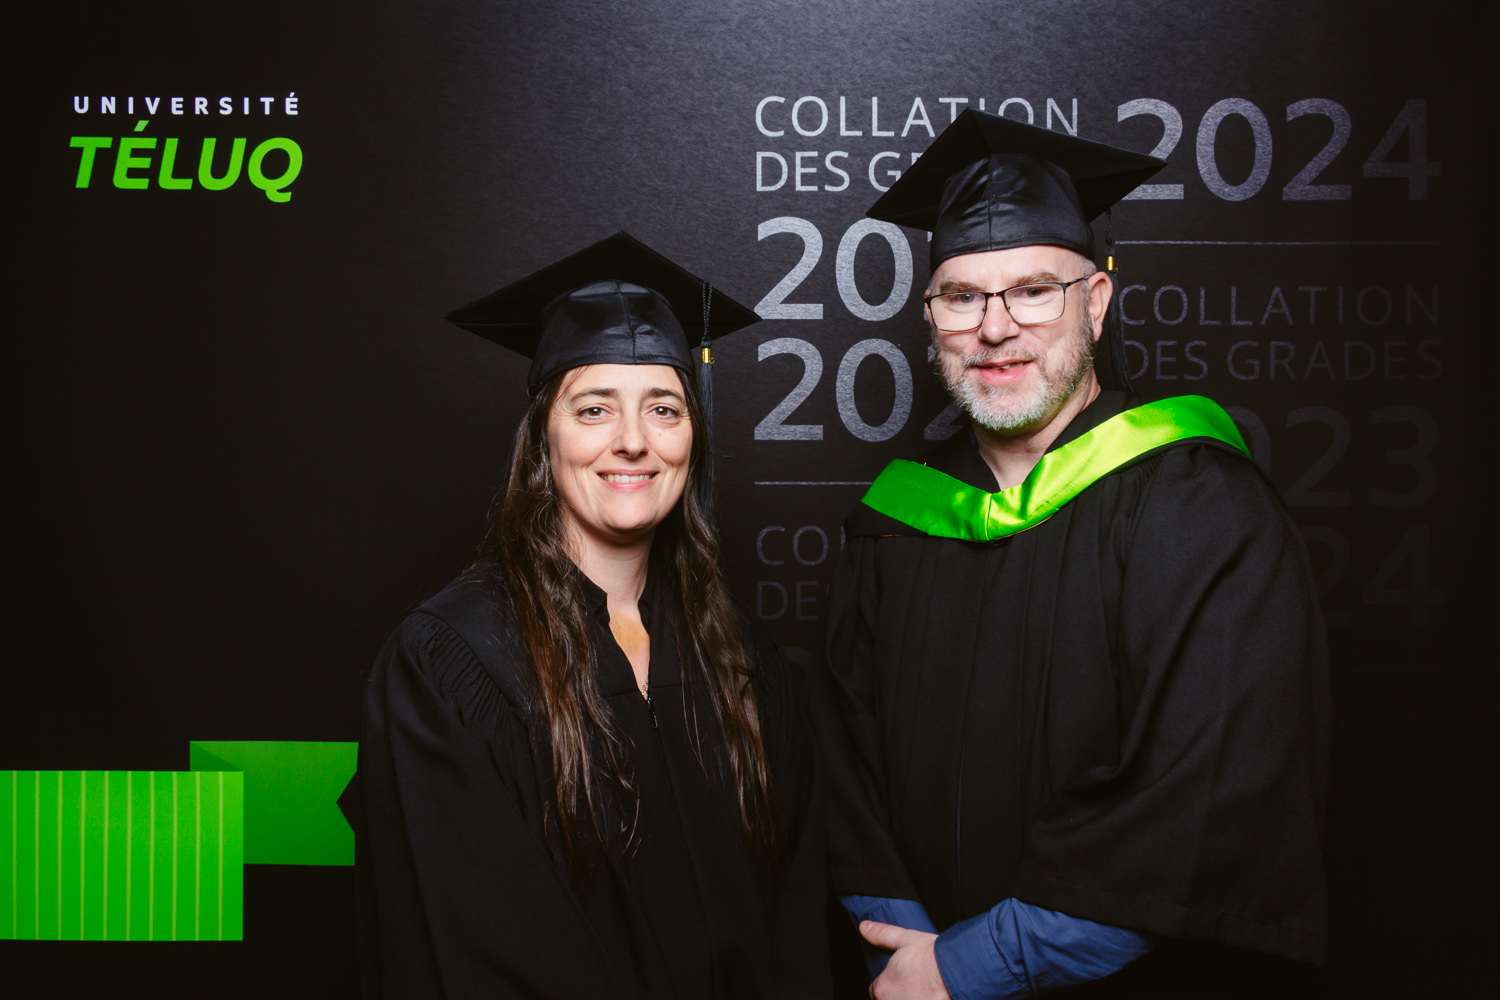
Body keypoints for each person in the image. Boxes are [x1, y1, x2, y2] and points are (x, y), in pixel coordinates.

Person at [816, 111, 1329, 998]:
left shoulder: (1198, 504)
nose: (996, 328)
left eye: (1034, 291)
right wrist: (902, 952)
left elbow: (1209, 789)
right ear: (931, 318)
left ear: (1095, 301)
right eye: (962, 297)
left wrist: (965, 969)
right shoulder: (892, 528)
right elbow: (841, 764)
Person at [344, 232, 833, 999]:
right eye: (595, 408)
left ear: (693, 436)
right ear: (544, 433)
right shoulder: (451, 665)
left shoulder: (743, 658)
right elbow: (474, 959)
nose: (633, 441)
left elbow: (797, 928)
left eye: (663, 408)